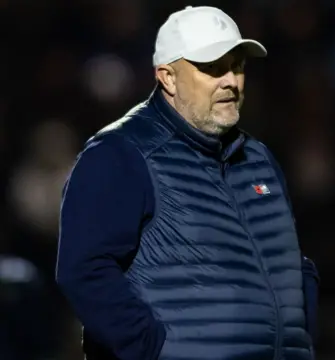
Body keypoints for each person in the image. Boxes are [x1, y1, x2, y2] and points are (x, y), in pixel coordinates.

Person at [56, 6, 319, 360]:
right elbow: (85, 269)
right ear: (168, 77)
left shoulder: (259, 160)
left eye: (237, 65)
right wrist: (151, 350)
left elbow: (288, 267)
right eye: (212, 68)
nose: (231, 81)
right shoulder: (121, 154)